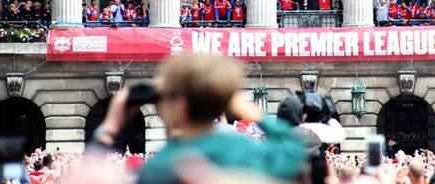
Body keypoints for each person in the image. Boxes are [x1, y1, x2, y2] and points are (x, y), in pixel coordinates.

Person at [91, 55, 306, 183]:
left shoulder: (159, 169)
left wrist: (109, 127)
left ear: (178, 106)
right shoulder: (254, 154)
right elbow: (295, 147)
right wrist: (250, 111)